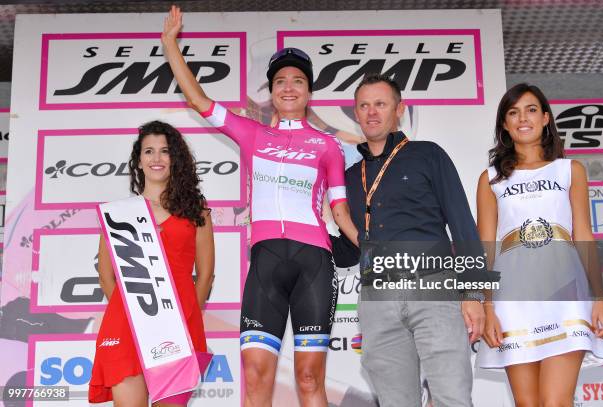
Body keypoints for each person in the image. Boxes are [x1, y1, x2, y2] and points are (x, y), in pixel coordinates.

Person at [161, 6, 359, 407]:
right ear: (271, 91)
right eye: (281, 81)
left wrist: (371, 248)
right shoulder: (249, 133)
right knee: (254, 377)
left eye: (298, 81)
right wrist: (170, 46)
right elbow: (198, 99)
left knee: (308, 379)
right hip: (265, 262)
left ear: (308, 91)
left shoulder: (327, 146)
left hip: (315, 264)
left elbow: (339, 211)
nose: (289, 87)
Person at [344, 73, 484, 407]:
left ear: (399, 110)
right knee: (396, 402)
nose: (372, 112)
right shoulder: (349, 175)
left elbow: (462, 223)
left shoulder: (427, 154)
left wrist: (474, 293)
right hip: (377, 295)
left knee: (452, 397)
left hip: (433, 287)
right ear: (356, 113)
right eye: (364, 105)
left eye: (380, 104)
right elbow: (349, 251)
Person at [476, 83, 603, 405]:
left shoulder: (570, 170)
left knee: (555, 402)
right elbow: (484, 248)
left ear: (546, 118)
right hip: (512, 301)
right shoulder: (491, 179)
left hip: (566, 293)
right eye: (513, 112)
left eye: (531, 109)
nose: (523, 118)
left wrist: (599, 298)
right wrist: (487, 306)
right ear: (505, 125)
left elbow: (583, 234)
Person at [88, 121, 214, 407]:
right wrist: (137, 316)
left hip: (179, 329)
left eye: (165, 151)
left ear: (175, 159)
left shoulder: (197, 212)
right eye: (149, 151)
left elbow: (205, 276)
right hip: (125, 328)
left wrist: (178, 321)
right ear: (139, 160)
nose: (156, 158)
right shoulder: (118, 215)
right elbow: (106, 276)